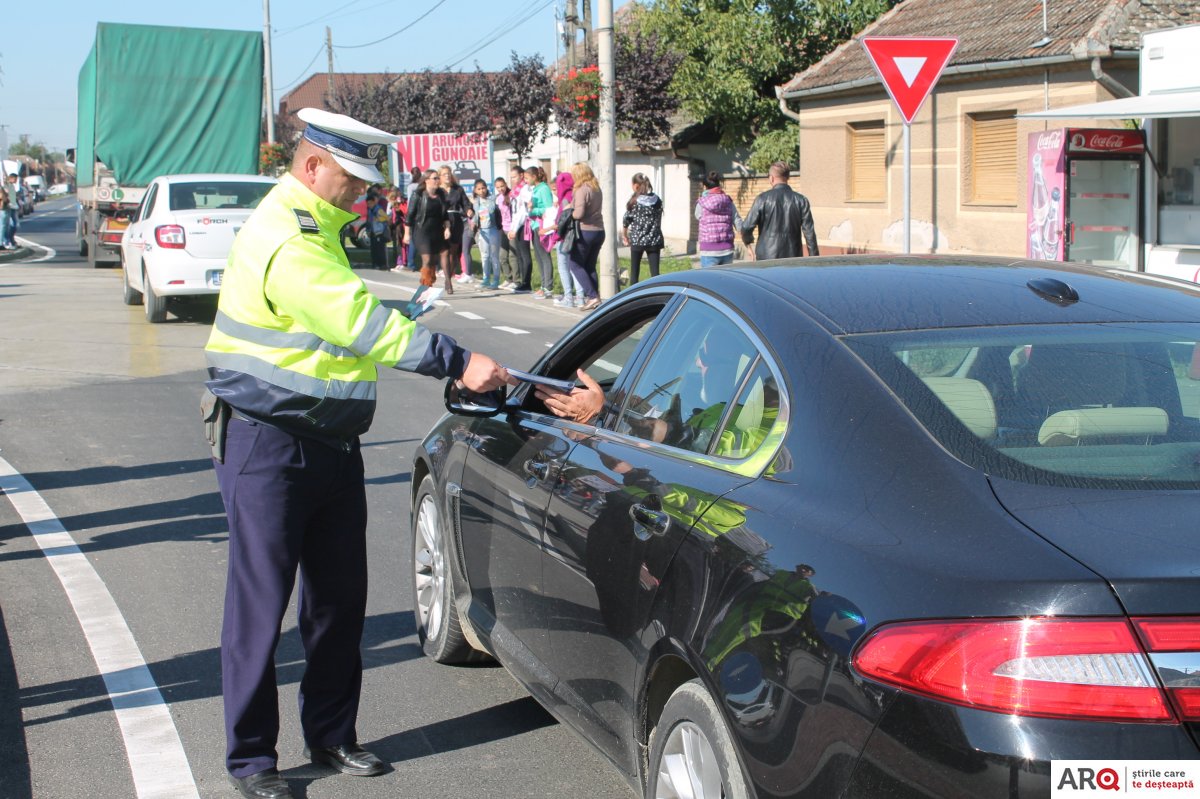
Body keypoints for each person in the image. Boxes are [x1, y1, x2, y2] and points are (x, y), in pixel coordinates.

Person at [203, 107, 514, 799]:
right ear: (312, 166)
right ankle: (252, 761)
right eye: (353, 179)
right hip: (268, 441)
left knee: (339, 600)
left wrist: (403, 319)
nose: (365, 193)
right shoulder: (287, 234)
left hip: (327, 440)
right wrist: (455, 359)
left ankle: (332, 734)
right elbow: (351, 319)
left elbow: (336, 327)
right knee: (260, 607)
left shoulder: (321, 229)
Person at [741, 161, 819, 260]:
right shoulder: (801, 200)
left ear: (771, 178)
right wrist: (814, 259)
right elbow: (809, 233)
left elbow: (746, 228)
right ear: (787, 177)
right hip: (793, 256)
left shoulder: (762, 199)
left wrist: (748, 243)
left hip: (766, 257)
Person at [405, 169, 454, 294]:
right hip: (422, 231)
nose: (438, 181)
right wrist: (406, 233)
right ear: (427, 180)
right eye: (435, 178)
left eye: (438, 178)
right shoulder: (418, 194)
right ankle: (426, 286)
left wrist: (447, 228)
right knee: (427, 259)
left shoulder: (441, 194)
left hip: (438, 229)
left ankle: (448, 281)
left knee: (444, 253)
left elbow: (445, 215)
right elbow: (410, 215)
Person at [567, 162, 605, 311]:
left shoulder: (582, 190)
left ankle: (592, 296)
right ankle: (595, 297)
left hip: (585, 231)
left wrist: (571, 214)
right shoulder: (596, 188)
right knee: (589, 265)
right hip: (599, 230)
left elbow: (579, 213)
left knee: (574, 264)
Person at [621, 173, 664, 285]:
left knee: (634, 274)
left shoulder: (634, 202)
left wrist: (624, 236)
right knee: (655, 274)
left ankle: (632, 297)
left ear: (635, 186)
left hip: (637, 240)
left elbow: (626, 220)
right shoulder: (657, 200)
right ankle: (657, 293)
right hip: (654, 240)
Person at [695, 172, 743, 267]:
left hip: (708, 249)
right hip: (727, 248)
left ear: (705, 186)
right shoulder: (728, 201)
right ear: (719, 184)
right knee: (725, 280)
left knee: (708, 280)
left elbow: (698, 216)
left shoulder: (702, 203)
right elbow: (737, 220)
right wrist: (745, 238)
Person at [552, 171, 584, 308]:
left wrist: (553, 231)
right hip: (577, 236)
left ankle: (568, 297)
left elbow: (562, 220)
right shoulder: (576, 194)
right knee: (575, 267)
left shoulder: (565, 198)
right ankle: (581, 297)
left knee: (564, 267)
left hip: (565, 237)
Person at [526, 166, 556, 299]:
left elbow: (548, 208)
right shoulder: (535, 189)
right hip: (534, 225)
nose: (526, 181)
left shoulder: (543, 189)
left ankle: (548, 287)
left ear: (534, 177)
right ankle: (543, 285)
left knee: (544, 256)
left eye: (527, 178)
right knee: (538, 256)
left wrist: (534, 210)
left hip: (542, 225)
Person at [438, 165, 471, 284]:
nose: (447, 176)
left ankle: (449, 275)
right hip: (441, 221)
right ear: (440, 177)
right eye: (444, 174)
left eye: (449, 173)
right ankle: (447, 278)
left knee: (453, 252)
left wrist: (469, 210)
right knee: (444, 251)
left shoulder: (458, 189)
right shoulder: (437, 190)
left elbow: (466, 203)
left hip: (456, 220)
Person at [469, 178, 501, 289]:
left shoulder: (492, 199)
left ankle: (496, 279)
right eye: (479, 189)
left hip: (493, 229)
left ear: (486, 188)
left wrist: (487, 204)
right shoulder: (476, 202)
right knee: (484, 256)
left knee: (494, 256)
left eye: (483, 188)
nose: (482, 191)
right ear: (475, 190)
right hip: (482, 230)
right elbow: (476, 216)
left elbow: (492, 210)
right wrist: (473, 222)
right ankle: (486, 278)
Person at [507, 166, 533, 294]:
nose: (512, 179)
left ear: (521, 175)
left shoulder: (525, 189)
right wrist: (512, 228)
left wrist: (515, 228)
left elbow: (523, 211)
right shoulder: (515, 191)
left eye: (515, 177)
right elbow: (514, 212)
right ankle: (523, 282)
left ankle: (526, 283)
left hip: (523, 225)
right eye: (511, 177)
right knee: (520, 255)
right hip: (517, 225)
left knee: (524, 254)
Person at [493, 176, 517, 289]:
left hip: (512, 228)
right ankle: (508, 278)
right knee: (502, 256)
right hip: (503, 229)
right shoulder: (498, 198)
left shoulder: (511, 195)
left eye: (502, 186)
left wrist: (514, 228)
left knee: (513, 256)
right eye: (498, 187)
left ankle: (516, 280)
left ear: (506, 184)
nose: (500, 189)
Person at [367, 190, 390, 269]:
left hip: (380, 232)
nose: (369, 205)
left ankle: (382, 264)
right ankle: (375, 263)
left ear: (374, 202)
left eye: (370, 203)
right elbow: (369, 220)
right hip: (373, 231)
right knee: (374, 249)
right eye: (368, 204)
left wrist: (379, 219)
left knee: (380, 249)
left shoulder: (378, 209)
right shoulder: (370, 210)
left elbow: (386, 218)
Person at [2, 174, 19, 249]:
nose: (16, 180)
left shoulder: (12, 186)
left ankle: (11, 240)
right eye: (15, 179)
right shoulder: (7, 186)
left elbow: (13, 197)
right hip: (9, 207)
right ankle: (7, 241)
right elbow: (6, 196)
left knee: (14, 225)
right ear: (11, 178)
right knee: (7, 225)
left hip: (13, 207)